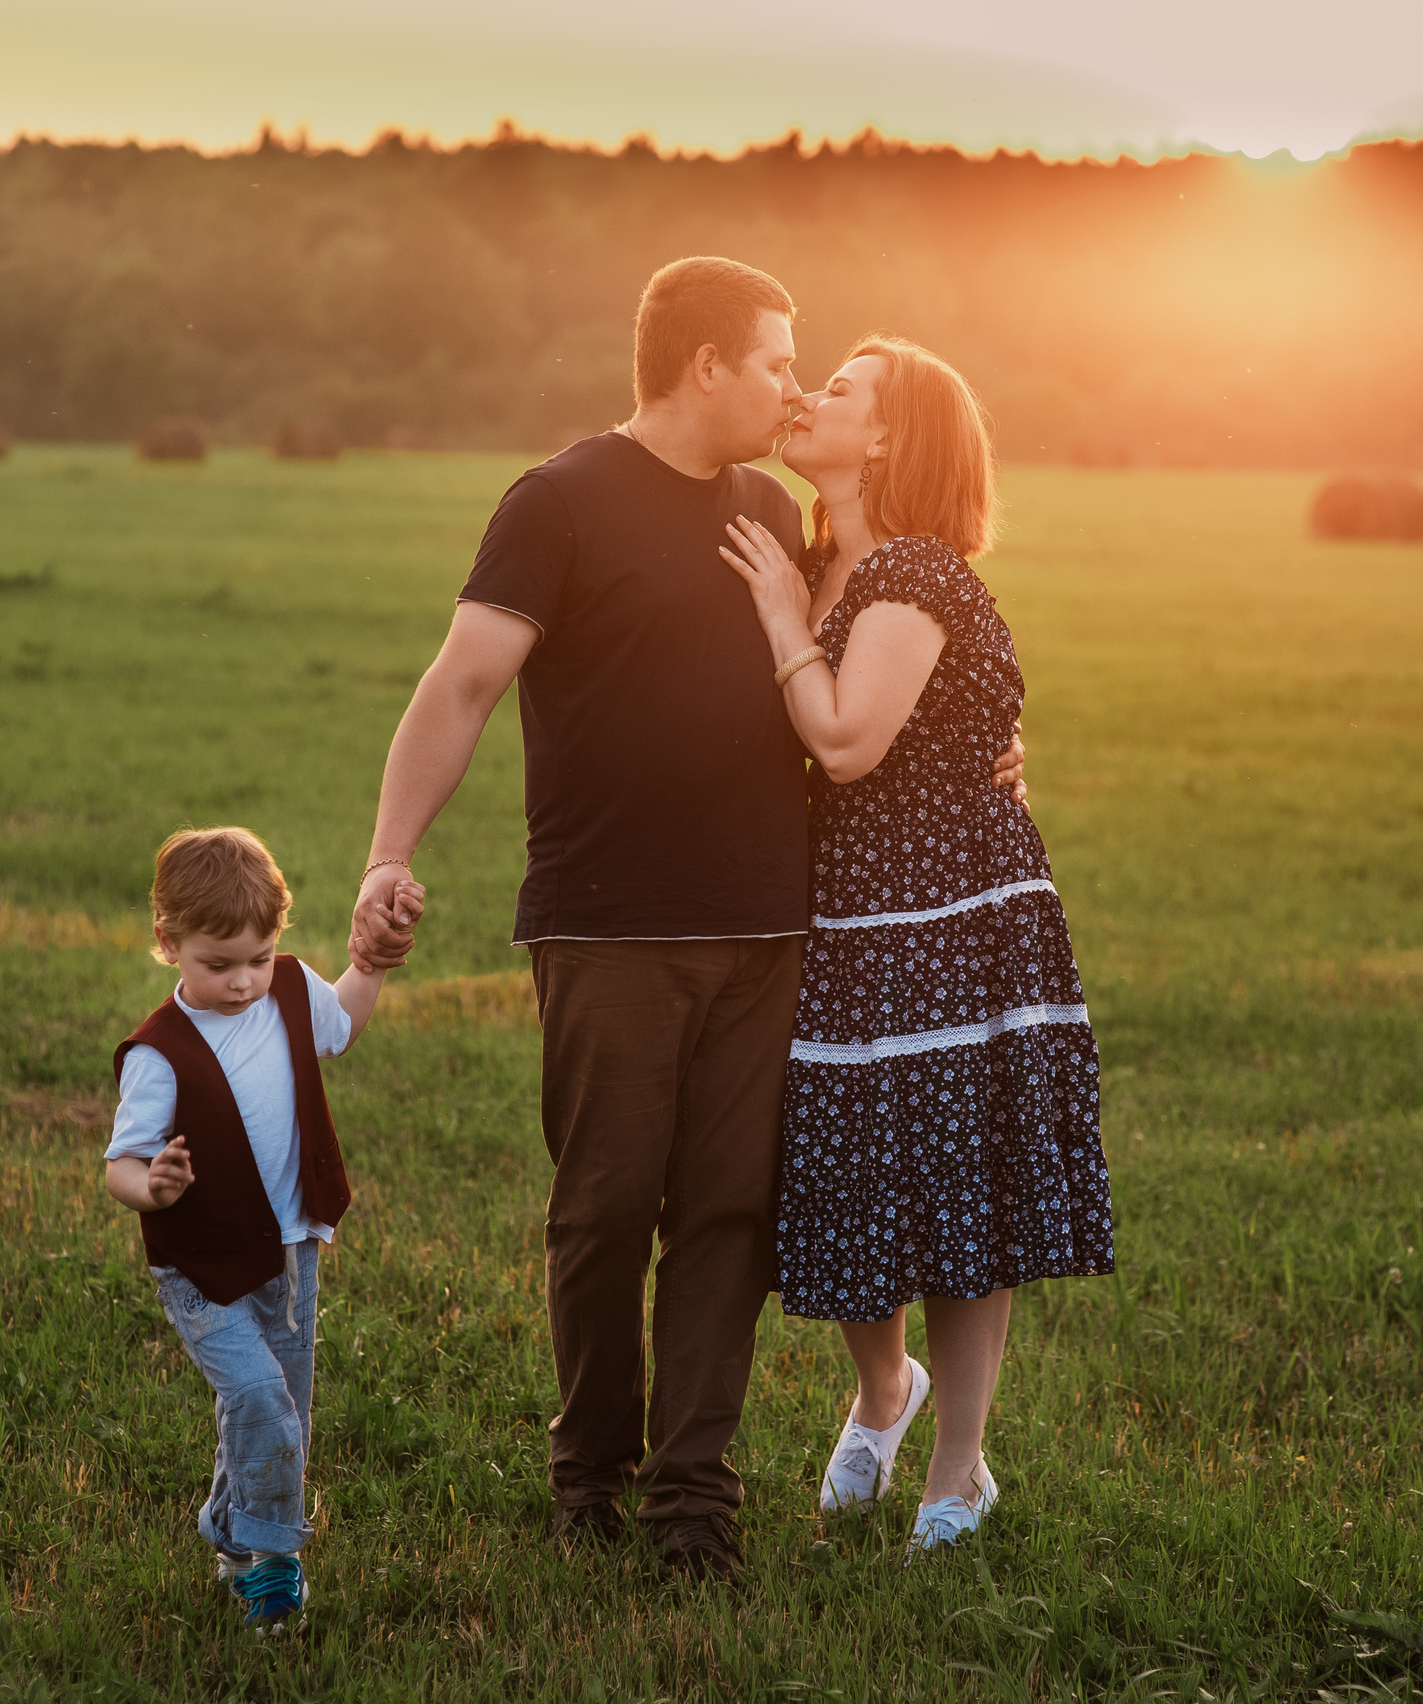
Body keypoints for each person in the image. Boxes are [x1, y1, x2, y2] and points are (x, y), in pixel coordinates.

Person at [346, 258, 1024, 1583]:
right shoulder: (559, 502)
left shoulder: (775, 511)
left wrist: (992, 752)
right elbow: (461, 686)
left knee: (728, 1217)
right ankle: (588, 1478)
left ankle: (692, 1503)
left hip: (773, 931)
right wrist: (388, 854)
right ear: (705, 364)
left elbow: (904, 628)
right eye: (778, 361)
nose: (790, 387)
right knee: (604, 1208)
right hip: (608, 924)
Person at [716, 334, 1116, 1561]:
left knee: (955, 1179)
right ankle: (882, 1388)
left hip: (951, 915)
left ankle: (959, 1468)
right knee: (848, 1166)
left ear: (886, 439)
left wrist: (783, 619)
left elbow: (842, 743)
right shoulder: (812, 554)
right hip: (842, 909)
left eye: (838, 388)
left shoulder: (916, 577)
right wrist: (793, 597)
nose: (808, 396)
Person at [103, 827, 421, 1631]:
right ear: (168, 944)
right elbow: (120, 1167)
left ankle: (228, 1530)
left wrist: (372, 966)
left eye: (258, 956)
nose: (244, 981)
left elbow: (341, 1023)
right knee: (264, 1406)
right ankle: (273, 1567)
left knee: (271, 1410)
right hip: (201, 1268)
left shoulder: (287, 988)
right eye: (219, 964)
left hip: (290, 1253)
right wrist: (155, 1184)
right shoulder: (159, 1055)